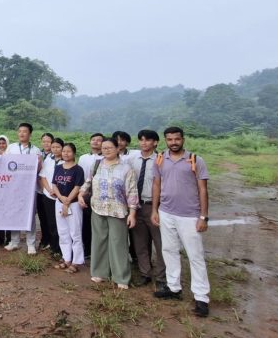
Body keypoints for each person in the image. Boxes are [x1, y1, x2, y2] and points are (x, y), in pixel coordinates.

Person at [152, 127, 211, 318]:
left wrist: (203, 216)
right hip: (166, 212)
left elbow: (203, 189)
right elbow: (156, 184)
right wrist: (155, 209)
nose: (173, 142)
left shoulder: (195, 159)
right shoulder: (160, 159)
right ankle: (173, 287)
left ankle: (201, 297)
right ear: (165, 141)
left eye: (177, 139)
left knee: (195, 255)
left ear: (183, 139)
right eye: (170, 139)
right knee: (169, 250)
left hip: (189, 215)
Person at [78, 138, 138, 289]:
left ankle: (121, 277)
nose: (106, 150)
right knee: (99, 240)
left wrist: (132, 213)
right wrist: (81, 194)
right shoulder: (97, 164)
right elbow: (88, 181)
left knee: (118, 243)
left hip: (118, 210)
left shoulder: (126, 168)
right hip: (98, 208)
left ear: (118, 149)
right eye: (104, 148)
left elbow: (132, 191)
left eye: (110, 148)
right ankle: (100, 272)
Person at [130, 129, 166, 289]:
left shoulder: (161, 160)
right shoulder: (132, 159)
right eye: (141, 140)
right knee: (140, 242)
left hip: (154, 206)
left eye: (147, 140)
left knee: (160, 243)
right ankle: (145, 273)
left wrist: (158, 208)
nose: (144, 143)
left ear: (155, 142)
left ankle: (161, 276)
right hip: (136, 206)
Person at [4, 123, 42, 254]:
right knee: (14, 213)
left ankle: (30, 243)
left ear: (30, 134)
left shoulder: (35, 150)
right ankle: (14, 241)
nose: (21, 134)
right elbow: (4, 165)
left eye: (24, 131)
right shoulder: (11, 148)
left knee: (30, 215)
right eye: (19, 131)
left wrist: (38, 162)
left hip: (30, 189)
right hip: (14, 187)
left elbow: (39, 169)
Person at [51, 143, 85, 273]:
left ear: (74, 153)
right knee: (63, 232)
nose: (65, 153)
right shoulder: (58, 167)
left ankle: (77, 262)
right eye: (64, 151)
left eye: (68, 151)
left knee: (75, 233)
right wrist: (60, 197)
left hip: (73, 204)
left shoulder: (78, 169)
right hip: (59, 202)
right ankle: (66, 259)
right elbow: (54, 184)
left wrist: (67, 202)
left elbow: (77, 187)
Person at [78, 133, 104, 259]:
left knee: (99, 225)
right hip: (84, 194)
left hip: (100, 196)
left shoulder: (106, 158)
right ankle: (87, 249)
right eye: (93, 139)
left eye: (99, 140)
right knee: (86, 223)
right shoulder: (83, 158)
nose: (95, 142)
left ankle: (99, 252)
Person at [38, 137, 64, 254]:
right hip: (48, 196)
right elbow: (42, 177)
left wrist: (57, 192)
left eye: (58, 147)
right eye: (53, 147)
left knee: (62, 224)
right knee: (51, 222)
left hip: (61, 197)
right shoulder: (48, 158)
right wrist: (49, 190)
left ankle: (62, 249)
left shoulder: (66, 161)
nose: (55, 149)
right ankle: (54, 247)